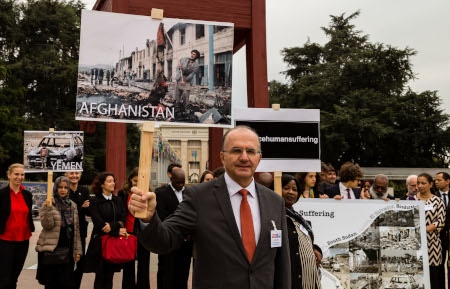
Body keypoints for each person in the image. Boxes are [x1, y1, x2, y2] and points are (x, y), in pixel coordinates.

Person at [129, 126, 291, 289]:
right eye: (236, 151)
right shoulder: (198, 197)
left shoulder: (275, 202)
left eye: (250, 151)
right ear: (222, 157)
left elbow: (281, 263)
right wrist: (149, 218)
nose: (244, 157)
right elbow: (165, 240)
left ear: (259, 157)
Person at [36, 176, 82, 289]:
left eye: (66, 187)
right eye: (60, 187)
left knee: (66, 283)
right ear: (55, 188)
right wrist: (48, 209)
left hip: (68, 249)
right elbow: (48, 225)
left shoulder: (73, 205)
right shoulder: (49, 203)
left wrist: (78, 250)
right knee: (51, 283)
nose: (63, 190)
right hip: (52, 249)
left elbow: (76, 229)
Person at [84, 172, 127, 289]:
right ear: (102, 184)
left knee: (110, 275)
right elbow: (99, 223)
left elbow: (123, 219)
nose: (113, 183)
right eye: (109, 181)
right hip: (100, 242)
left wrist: (113, 228)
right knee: (100, 275)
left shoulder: (118, 200)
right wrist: (116, 228)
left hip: (114, 242)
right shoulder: (94, 201)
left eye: (113, 181)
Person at [281, 174, 322, 289]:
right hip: (290, 280)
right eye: (286, 188)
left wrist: (315, 249)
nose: (291, 192)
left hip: (307, 280)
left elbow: (302, 242)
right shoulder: (273, 216)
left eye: (294, 189)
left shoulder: (298, 218)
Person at [155, 168, 192, 289]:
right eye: (178, 183)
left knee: (183, 274)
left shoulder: (189, 192)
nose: (181, 185)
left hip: (186, 243)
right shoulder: (161, 193)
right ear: (171, 179)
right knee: (167, 274)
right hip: (168, 241)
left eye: (183, 183)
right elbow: (163, 217)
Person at [0, 163, 35, 289]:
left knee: (14, 276)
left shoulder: (27, 195)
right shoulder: (2, 194)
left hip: (23, 240)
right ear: (9, 175)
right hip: (5, 240)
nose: (19, 177)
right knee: (4, 278)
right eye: (16, 174)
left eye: (22, 174)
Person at [118, 167, 151, 289]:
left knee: (144, 263)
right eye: (135, 181)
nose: (137, 184)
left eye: (140, 181)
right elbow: (121, 211)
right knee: (128, 263)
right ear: (130, 180)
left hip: (143, 232)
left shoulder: (149, 193)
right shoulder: (123, 193)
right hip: (129, 231)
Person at [415, 173, 445, 289]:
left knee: (433, 278)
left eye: (423, 183)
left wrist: (421, 229)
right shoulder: (411, 200)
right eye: (418, 183)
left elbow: (439, 223)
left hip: (432, 246)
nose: (420, 186)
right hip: (416, 245)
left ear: (431, 184)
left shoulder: (438, 201)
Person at [66, 171, 91, 289]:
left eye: (77, 173)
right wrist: (81, 207)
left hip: (81, 232)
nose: (74, 175)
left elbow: (88, 210)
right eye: (71, 173)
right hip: (66, 232)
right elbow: (66, 213)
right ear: (66, 174)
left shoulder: (84, 190)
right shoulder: (63, 189)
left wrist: (80, 209)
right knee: (67, 262)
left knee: (80, 261)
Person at [434, 172, 450, 278]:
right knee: (439, 265)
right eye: (435, 180)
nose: (436, 182)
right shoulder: (433, 196)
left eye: (439, 180)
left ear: (447, 181)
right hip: (438, 236)